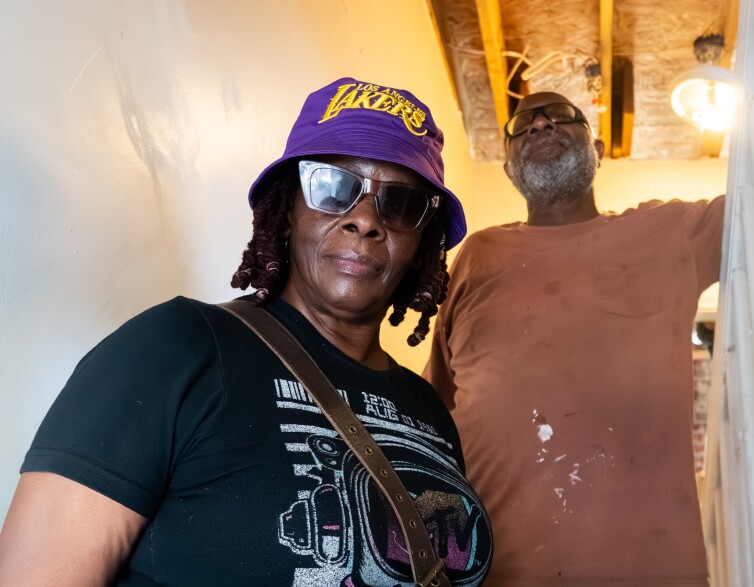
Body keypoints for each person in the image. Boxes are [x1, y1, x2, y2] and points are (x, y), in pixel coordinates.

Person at [0, 77, 492, 587]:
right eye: (331, 186)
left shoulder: (428, 410)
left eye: (400, 203)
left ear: (422, 242)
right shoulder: (173, 349)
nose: (364, 220)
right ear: (286, 213)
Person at [424, 91, 724, 586]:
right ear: (507, 169)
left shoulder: (674, 231)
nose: (540, 124)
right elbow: (433, 415)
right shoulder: (475, 256)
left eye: (561, 116)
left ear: (598, 149)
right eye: (522, 125)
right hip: (492, 573)